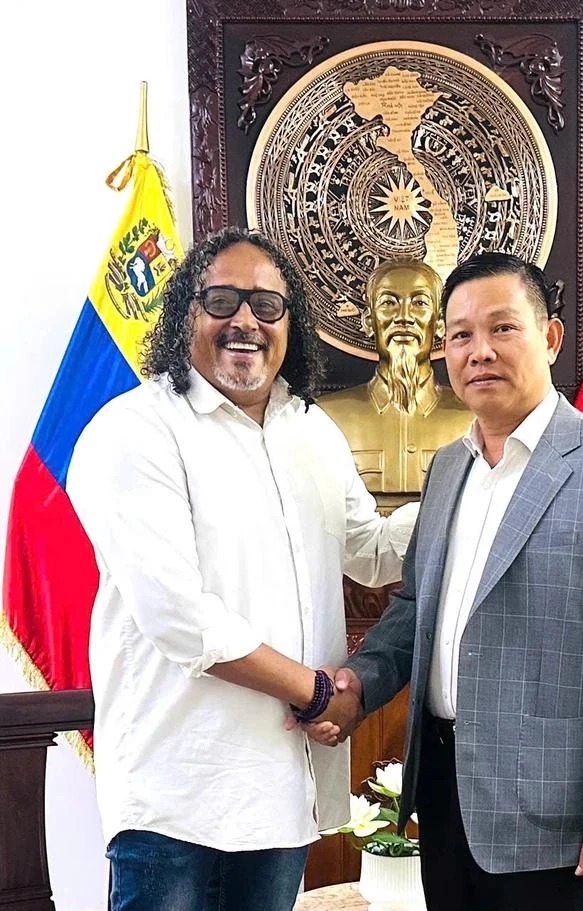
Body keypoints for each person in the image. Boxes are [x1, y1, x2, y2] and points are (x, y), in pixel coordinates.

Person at [66, 226, 414, 911]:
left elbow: (371, 550)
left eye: (267, 304)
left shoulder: (310, 430)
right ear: (185, 314)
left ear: (291, 324)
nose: (245, 320)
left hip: (283, 788)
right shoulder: (135, 430)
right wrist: (318, 691)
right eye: (222, 300)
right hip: (178, 794)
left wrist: (472, 486)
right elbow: (178, 616)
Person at [314, 252, 583, 910]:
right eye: (460, 335)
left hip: (559, 818)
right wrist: (358, 683)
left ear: (550, 337)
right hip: (446, 795)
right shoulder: (450, 467)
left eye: (502, 328)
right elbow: (416, 607)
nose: (479, 350)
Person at [319, 259, 471, 494]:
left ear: (440, 323)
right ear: (369, 322)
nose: (404, 317)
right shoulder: (325, 419)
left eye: (419, 303)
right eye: (389, 303)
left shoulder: (472, 420)